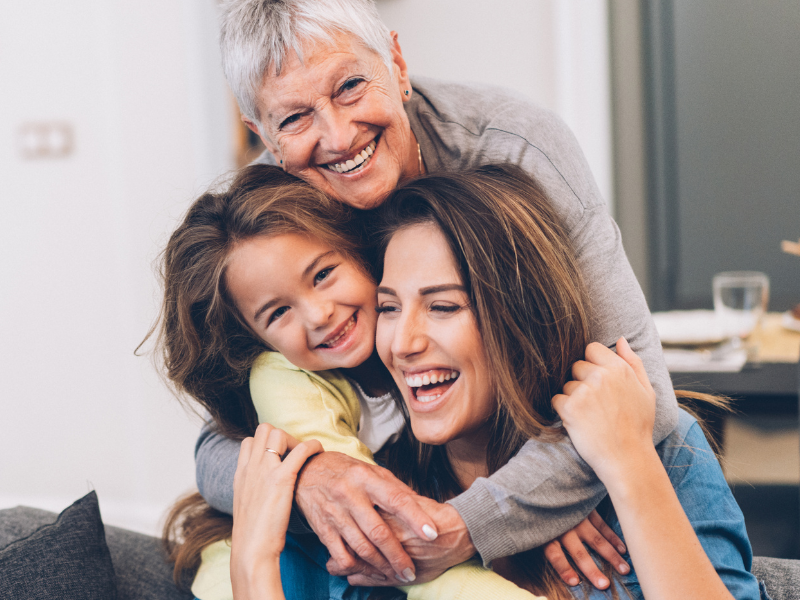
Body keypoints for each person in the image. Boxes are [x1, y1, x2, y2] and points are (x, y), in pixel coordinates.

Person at [196, 0, 679, 586]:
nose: (338, 136)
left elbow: (641, 393)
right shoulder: (278, 209)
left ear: (396, 64)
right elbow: (216, 447)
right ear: (263, 135)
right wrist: (309, 478)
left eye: (350, 86)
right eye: (294, 118)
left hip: (528, 462)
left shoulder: (514, 148)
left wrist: (479, 518)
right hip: (411, 483)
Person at [223, 164, 759, 600]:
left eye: (443, 306)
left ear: (521, 317)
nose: (403, 343)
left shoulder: (660, 450)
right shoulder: (385, 494)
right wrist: (252, 566)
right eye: (388, 307)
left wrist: (629, 467)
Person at [159, 164, 571, 599]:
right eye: (278, 313)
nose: (319, 315)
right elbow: (383, 530)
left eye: (322, 275)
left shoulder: (446, 378)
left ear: (359, 252)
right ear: (256, 340)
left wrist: (542, 506)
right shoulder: (287, 383)